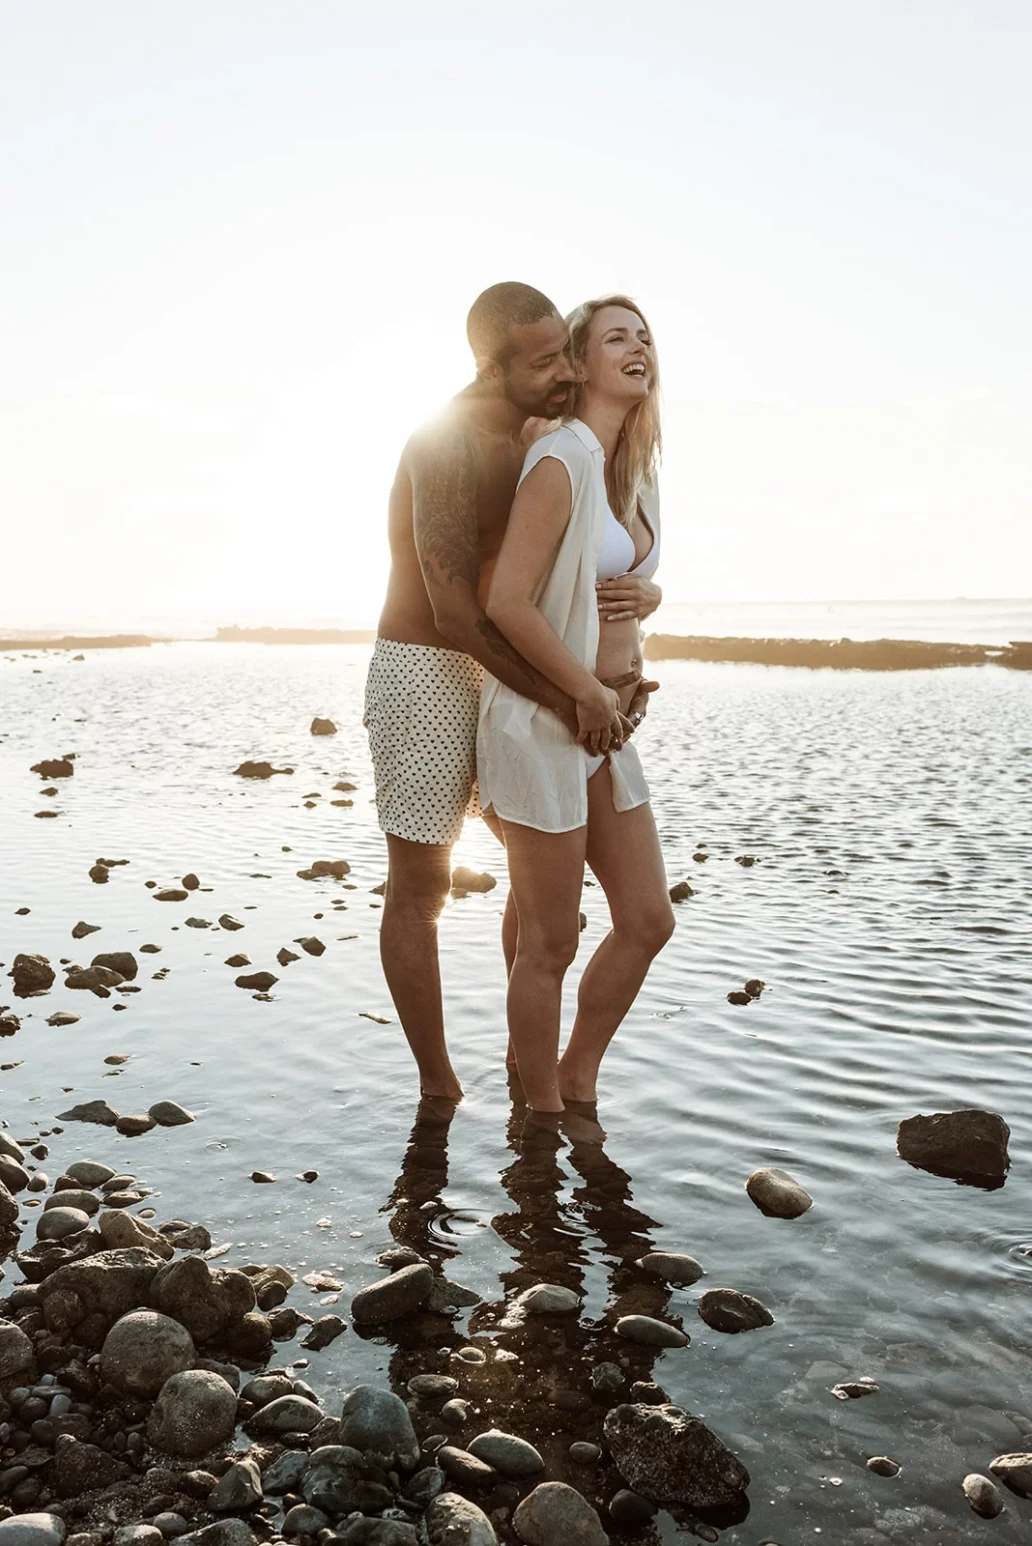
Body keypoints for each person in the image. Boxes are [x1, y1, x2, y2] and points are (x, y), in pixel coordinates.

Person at [366, 283, 653, 1103]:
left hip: (512, 670)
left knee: (534, 882)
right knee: (420, 883)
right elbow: (458, 613)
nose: (564, 373)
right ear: (490, 367)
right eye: (543, 362)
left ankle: (525, 1060)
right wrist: (571, 698)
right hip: (426, 668)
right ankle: (438, 1084)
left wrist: (624, 641)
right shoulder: (450, 441)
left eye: (566, 352)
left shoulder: (549, 437)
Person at [478, 295, 675, 1112]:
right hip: (547, 720)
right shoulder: (561, 457)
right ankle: (541, 1114)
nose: (638, 347)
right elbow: (508, 601)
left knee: (648, 919)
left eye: (645, 337)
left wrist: (649, 595)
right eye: (615, 338)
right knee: (552, 939)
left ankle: (573, 1071)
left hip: (608, 720)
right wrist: (589, 689)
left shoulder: (632, 470)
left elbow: (604, 589)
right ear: (580, 361)